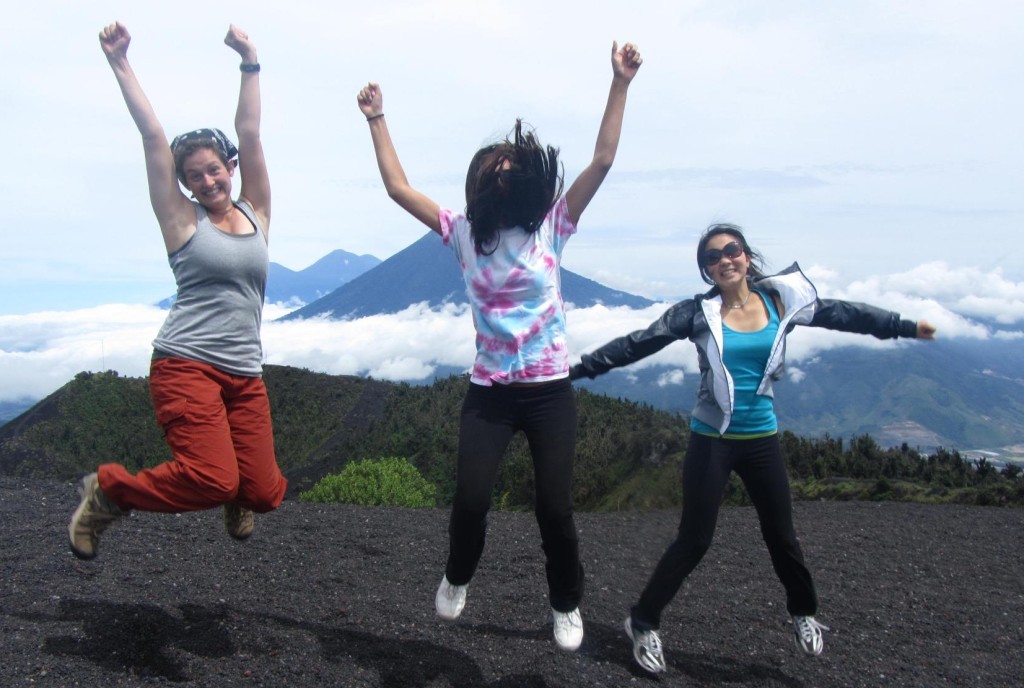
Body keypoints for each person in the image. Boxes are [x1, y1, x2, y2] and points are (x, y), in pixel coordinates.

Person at [356, 41, 643, 651]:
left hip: (548, 394)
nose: (507, 173)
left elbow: (603, 159)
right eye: (498, 167)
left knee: (554, 510)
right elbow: (397, 188)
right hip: (489, 394)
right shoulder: (464, 235)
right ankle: (458, 576)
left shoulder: (552, 229)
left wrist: (619, 82)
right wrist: (378, 120)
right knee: (471, 498)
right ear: (481, 180)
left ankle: (566, 603)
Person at [570, 223, 937, 672]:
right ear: (707, 271)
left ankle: (803, 614)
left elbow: (843, 314)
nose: (725, 259)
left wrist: (900, 326)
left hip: (762, 440)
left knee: (782, 536)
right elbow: (638, 344)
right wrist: (578, 369)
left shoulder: (781, 302)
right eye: (713, 257)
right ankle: (642, 622)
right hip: (712, 442)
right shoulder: (695, 314)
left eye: (732, 250)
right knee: (694, 541)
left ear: (746, 256)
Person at [68, 22, 287, 560]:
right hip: (186, 364)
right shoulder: (181, 222)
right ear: (185, 184)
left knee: (264, 493)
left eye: (214, 170)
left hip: (245, 373)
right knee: (211, 479)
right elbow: (151, 137)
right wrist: (120, 61)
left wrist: (250, 60)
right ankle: (109, 491)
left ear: (229, 168)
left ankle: (236, 493)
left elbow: (252, 133)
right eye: (196, 177)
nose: (208, 182)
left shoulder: (255, 211)